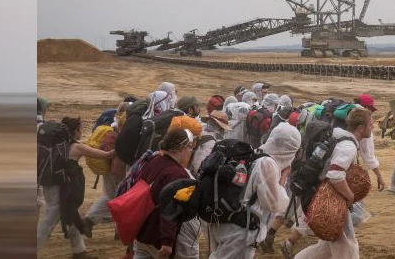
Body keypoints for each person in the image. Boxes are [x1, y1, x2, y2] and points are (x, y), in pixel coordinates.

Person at [291, 108, 374, 259]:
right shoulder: (348, 147)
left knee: (327, 247)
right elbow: (335, 174)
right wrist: (349, 196)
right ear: (361, 128)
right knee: (348, 248)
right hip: (329, 199)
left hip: (317, 193)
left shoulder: (336, 133)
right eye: (370, 125)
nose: (373, 128)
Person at [208, 124, 300, 258]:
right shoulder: (268, 164)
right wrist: (284, 176)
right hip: (240, 229)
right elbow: (275, 203)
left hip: (225, 220)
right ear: (291, 149)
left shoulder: (257, 152)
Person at [37, 117, 116, 259]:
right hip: (62, 191)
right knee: (48, 223)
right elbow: (106, 155)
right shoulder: (77, 147)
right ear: (75, 130)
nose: (82, 131)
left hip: (51, 186)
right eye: (80, 128)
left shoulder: (57, 146)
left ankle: (79, 252)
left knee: (71, 219)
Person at [133, 126, 198, 259]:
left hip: (142, 231)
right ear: (182, 147)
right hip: (159, 237)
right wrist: (167, 241)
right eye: (190, 147)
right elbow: (170, 209)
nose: (190, 152)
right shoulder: (178, 173)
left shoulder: (154, 161)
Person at [83, 102, 132, 232]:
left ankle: (90, 219)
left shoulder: (113, 124)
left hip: (107, 166)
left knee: (111, 196)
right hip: (119, 168)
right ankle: (118, 229)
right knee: (121, 198)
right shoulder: (126, 126)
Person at [354, 93, 386, 192]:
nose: (372, 112)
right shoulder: (363, 121)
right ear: (366, 107)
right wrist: (379, 176)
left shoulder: (349, 112)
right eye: (371, 109)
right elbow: (368, 155)